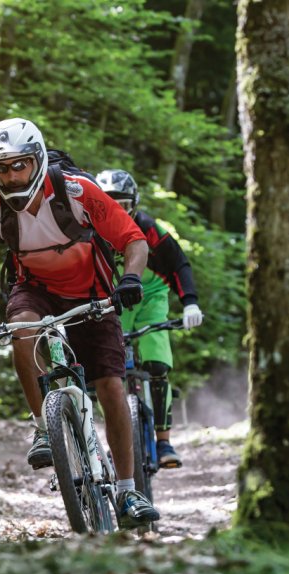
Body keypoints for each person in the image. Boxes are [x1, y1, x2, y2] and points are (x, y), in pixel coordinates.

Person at [0, 117, 159, 529]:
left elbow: (132, 239)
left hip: (93, 292)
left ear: (38, 159)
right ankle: (43, 428)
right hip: (35, 288)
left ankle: (126, 490)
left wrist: (132, 278)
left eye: (20, 165)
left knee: (111, 386)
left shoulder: (77, 192)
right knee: (23, 330)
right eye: (1, 167)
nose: (11, 176)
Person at [95, 169, 203, 469]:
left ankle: (164, 439)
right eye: (108, 203)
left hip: (151, 297)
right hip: (110, 301)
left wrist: (190, 303)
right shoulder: (89, 232)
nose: (117, 211)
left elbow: (179, 263)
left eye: (123, 204)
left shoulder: (149, 228)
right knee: (104, 372)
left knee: (157, 364)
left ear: (135, 204)